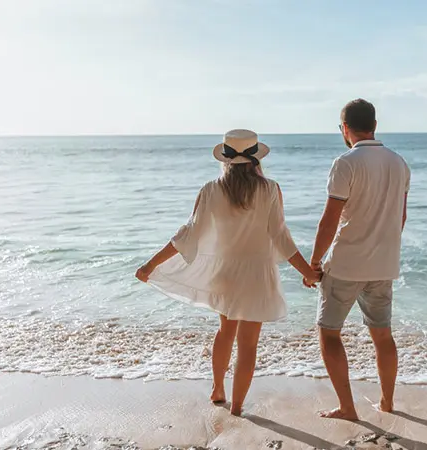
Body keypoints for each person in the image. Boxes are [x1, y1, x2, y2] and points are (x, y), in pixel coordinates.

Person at [135, 129, 321, 416]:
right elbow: (281, 237)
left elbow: (188, 234)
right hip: (258, 276)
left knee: (225, 331)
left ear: (225, 159)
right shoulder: (270, 189)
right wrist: (307, 271)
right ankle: (236, 407)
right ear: (255, 159)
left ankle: (218, 388)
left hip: (225, 274)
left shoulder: (211, 189)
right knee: (248, 345)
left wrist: (151, 264)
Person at [310, 99, 410, 420]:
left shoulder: (346, 163)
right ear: (375, 126)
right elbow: (401, 219)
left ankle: (348, 408)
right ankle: (387, 402)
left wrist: (314, 262)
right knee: (382, 335)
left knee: (329, 332)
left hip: (347, 264)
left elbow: (329, 221)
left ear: (345, 129)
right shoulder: (399, 163)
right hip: (384, 265)